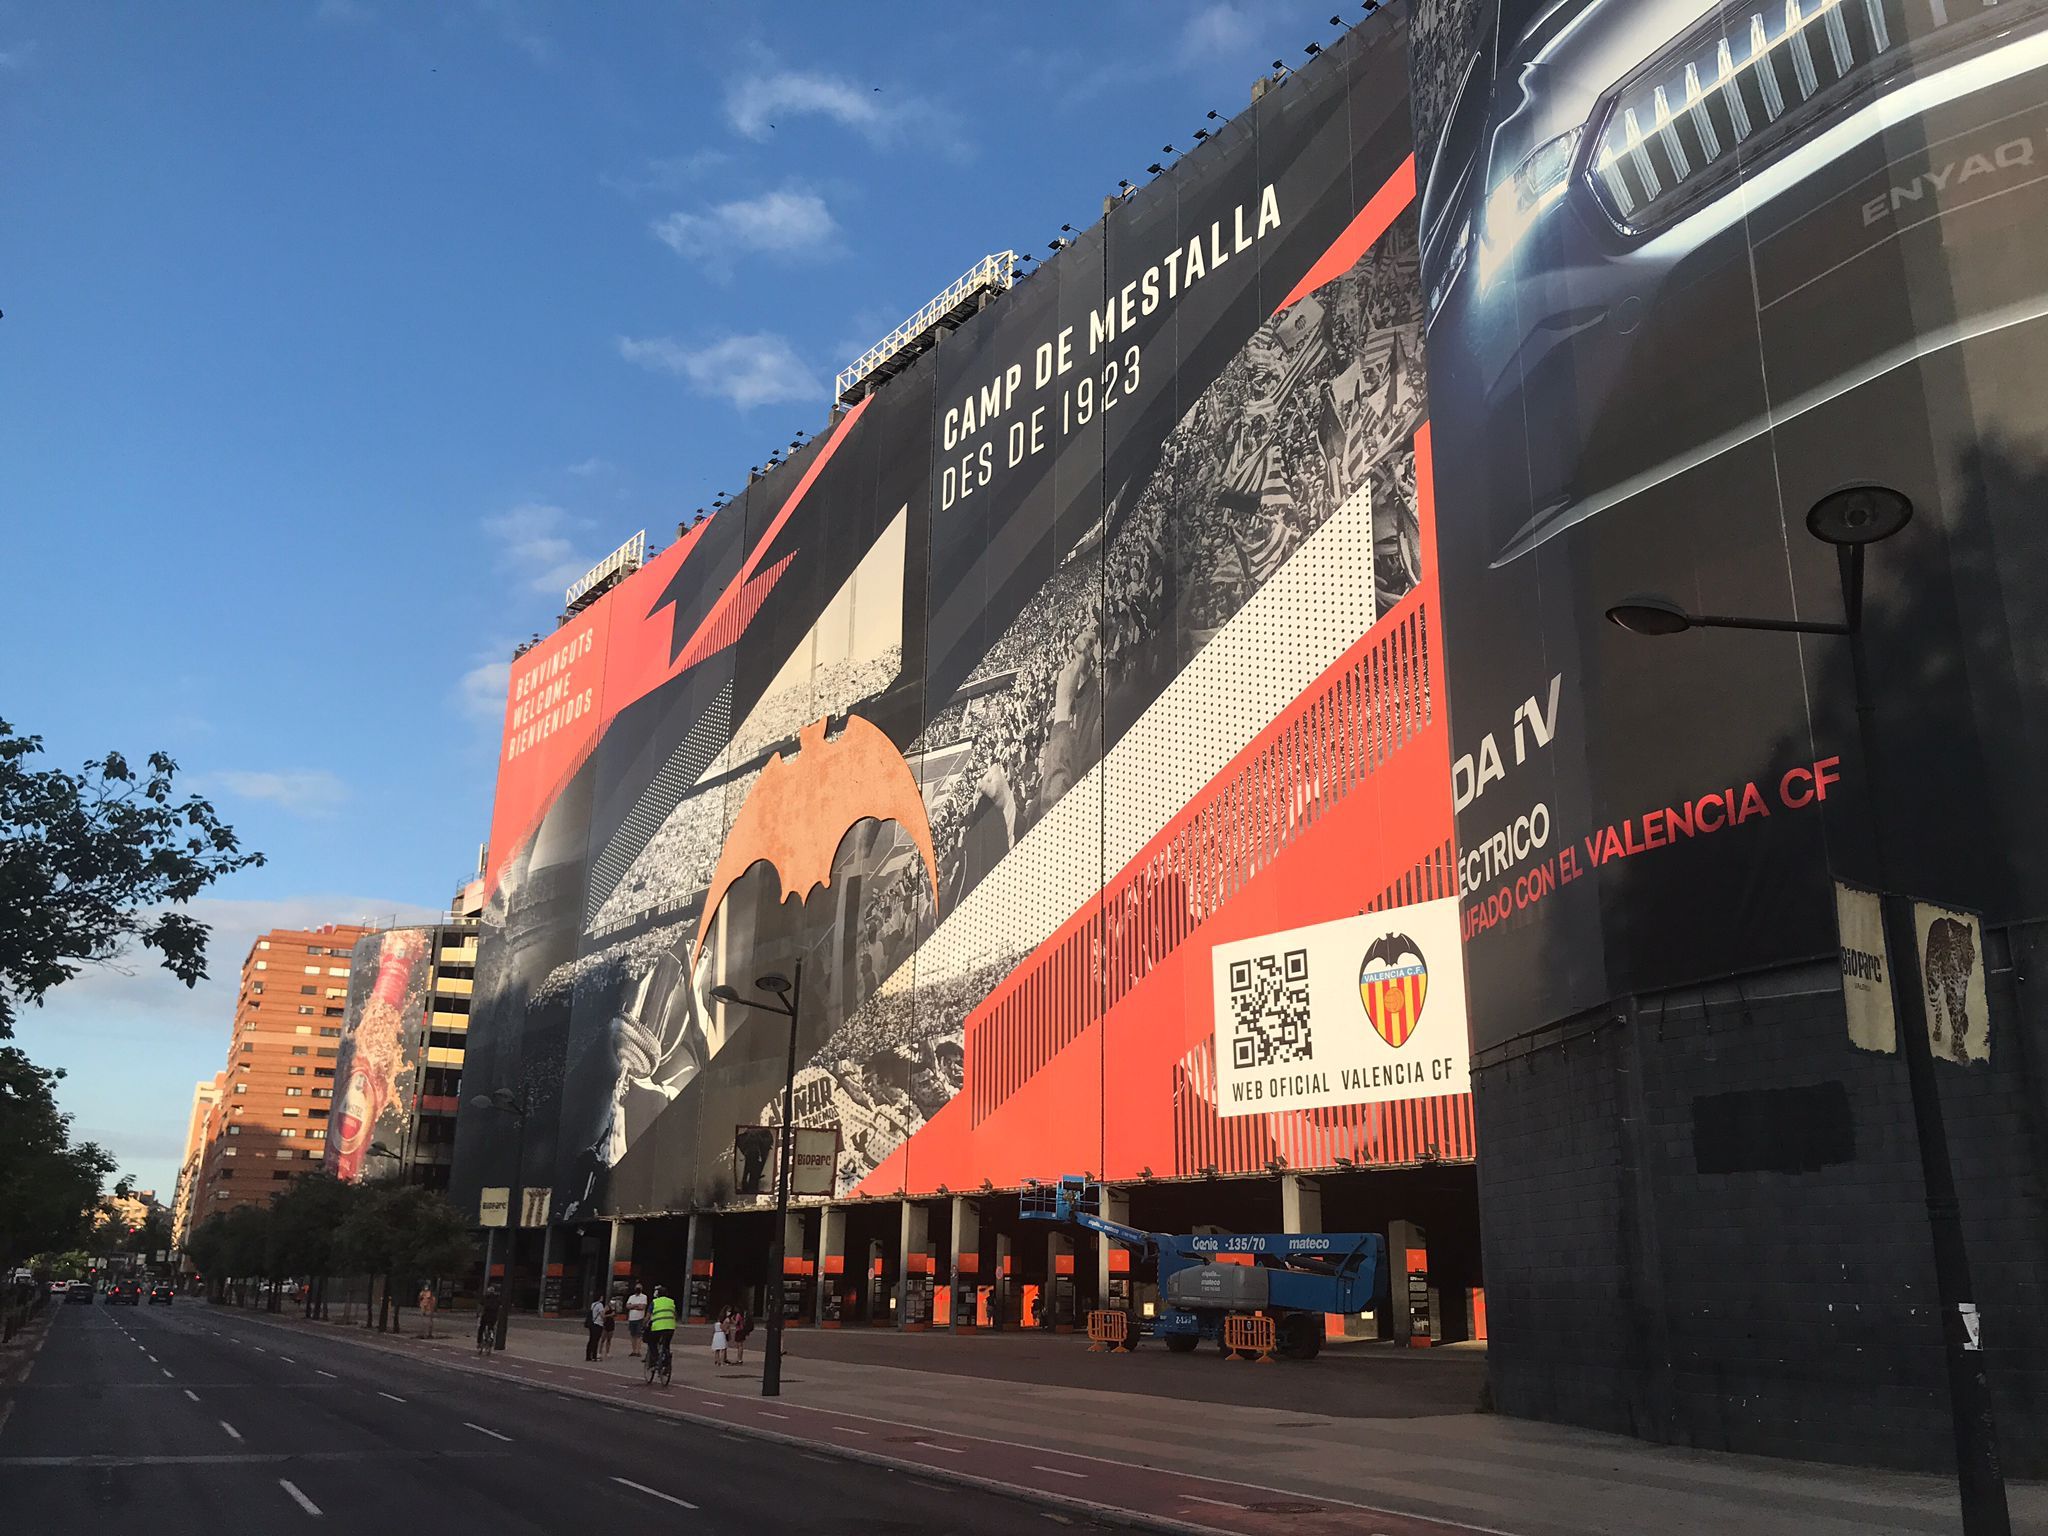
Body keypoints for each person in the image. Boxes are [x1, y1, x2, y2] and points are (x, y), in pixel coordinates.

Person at [644, 1285, 677, 1376]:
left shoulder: (655, 1302)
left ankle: (655, 1361)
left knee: (652, 1342)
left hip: (658, 1328)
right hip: (670, 1327)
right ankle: (667, 1363)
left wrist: (644, 1325)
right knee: (666, 1345)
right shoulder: (671, 1302)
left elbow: (648, 1316)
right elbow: (675, 1314)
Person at [625, 1282, 649, 1357]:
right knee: (632, 1335)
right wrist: (636, 1305)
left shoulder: (644, 1297)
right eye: (636, 1287)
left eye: (639, 1287)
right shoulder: (631, 1297)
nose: (637, 1289)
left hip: (639, 1318)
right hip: (631, 1318)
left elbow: (642, 1307)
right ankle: (633, 1350)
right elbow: (627, 1306)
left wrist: (633, 1306)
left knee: (639, 1335)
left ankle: (638, 1351)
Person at [477, 1285, 502, 1351]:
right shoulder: (497, 1298)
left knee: (481, 1328)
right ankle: (491, 1337)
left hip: (486, 1315)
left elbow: (480, 1306)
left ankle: (479, 1342)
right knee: (491, 1327)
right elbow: (500, 1307)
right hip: (494, 1316)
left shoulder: (485, 1297)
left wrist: (478, 1314)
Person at [585, 1293, 606, 1361]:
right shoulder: (600, 1305)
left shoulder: (593, 1304)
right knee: (596, 1340)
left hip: (592, 1323)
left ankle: (588, 1355)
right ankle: (594, 1355)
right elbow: (602, 1315)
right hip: (598, 1324)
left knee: (591, 1340)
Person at [600, 1294, 617, 1358]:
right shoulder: (607, 1307)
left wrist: (613, 1315)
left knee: (609, 1339)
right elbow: (603, 1315)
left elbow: (615, 1315)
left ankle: (607, 1352)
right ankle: (600, 1352)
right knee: (603, 1339)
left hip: (611, 1323)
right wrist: (610, 1315)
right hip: (606, 1323)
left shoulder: (614, 1308)